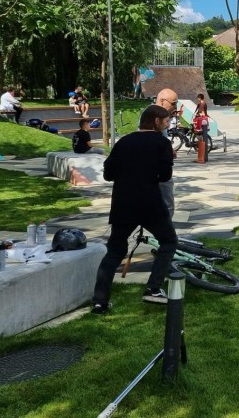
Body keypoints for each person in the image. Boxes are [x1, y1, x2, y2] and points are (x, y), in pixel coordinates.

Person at [91, 105, 176, 314]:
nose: (167, 125)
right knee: (169, 242)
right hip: (150, 204)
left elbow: (108, 173)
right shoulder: (162, 143)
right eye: (165, 121)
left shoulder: (124, 141)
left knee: (114, 252)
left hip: (123, 204)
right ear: (156, 121)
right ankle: (153, 288)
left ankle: (99, 302)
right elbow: (165, 176)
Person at [155, 88, 179, 216]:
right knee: (167, 205)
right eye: (173, 103)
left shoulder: (159, 116)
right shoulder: (154, 116)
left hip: (160, 169)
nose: (175, 107)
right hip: (158, 171)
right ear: (163, 101)